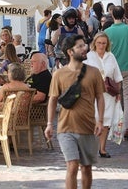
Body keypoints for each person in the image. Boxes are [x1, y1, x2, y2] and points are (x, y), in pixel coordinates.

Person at [45, 34, 104, 189]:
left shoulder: (94, 72)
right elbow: (52, 99)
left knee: (86, 167)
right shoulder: (59, 74)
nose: (85, 48)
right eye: (80, 46)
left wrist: (100, 121)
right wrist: (50, 124)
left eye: (84, 45)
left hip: (88, 127)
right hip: (65, 128)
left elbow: (100, 97)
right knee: (72, 165)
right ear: (70, 52)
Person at [104, 5, 128, 140]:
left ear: (113, 16)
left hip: (113, 69)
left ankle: (115, 126)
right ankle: (127, 127)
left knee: (115, 98)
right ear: (124, 15)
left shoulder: (107, 32)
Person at [84, 32, 123, 158]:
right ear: (95, 43)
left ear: (107, 44)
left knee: (105, 121)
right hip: (92, 94)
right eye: (99, 43)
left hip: (108, 94)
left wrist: (118, 92)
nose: (101, 45)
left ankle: (102, 149)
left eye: (104, 43)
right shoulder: (88, 57)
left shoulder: (111, 57)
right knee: (92, 120)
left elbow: (117, 76)